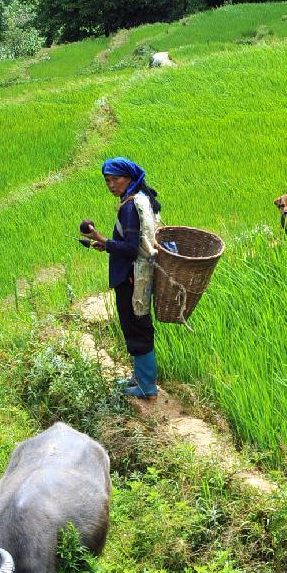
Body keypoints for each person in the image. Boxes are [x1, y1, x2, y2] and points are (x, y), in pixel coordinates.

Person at [85, 157, 161, 400]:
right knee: (134, 324)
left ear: (129, 178)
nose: (111, 184)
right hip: (134, 273)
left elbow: (130, 248)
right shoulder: (137, 200)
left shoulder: (130, 207)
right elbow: (131, 244)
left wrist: (102, 239)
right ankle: (139, 377)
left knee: (136, 326)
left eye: (115, 179)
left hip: (131, 278)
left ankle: (146, 384)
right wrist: (106, 245)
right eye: (107, 180)